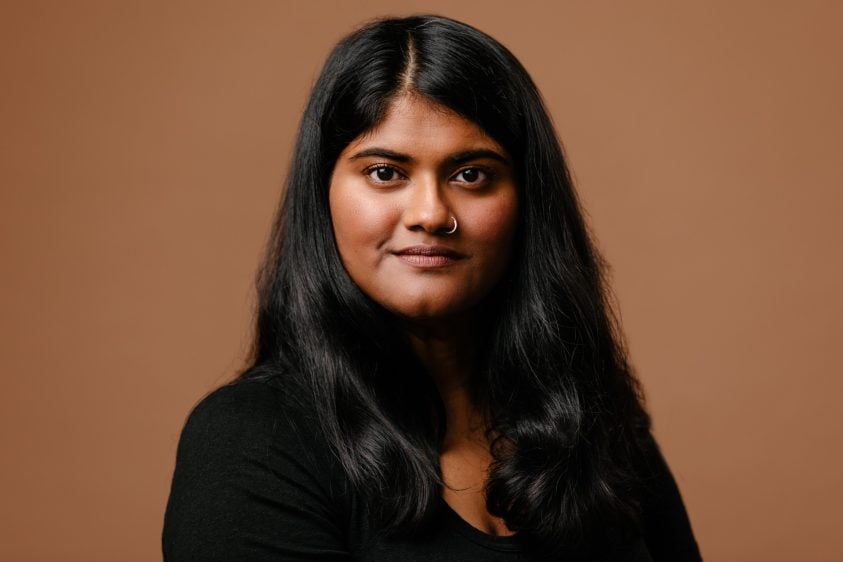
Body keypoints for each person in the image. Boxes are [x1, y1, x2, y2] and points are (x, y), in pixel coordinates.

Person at [162, 14, 702, 561]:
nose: (430, 213)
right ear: (323, 193)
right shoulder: (252, 440)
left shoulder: (595, 421)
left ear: (526, 201)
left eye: (470, 174)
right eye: (385, 172)